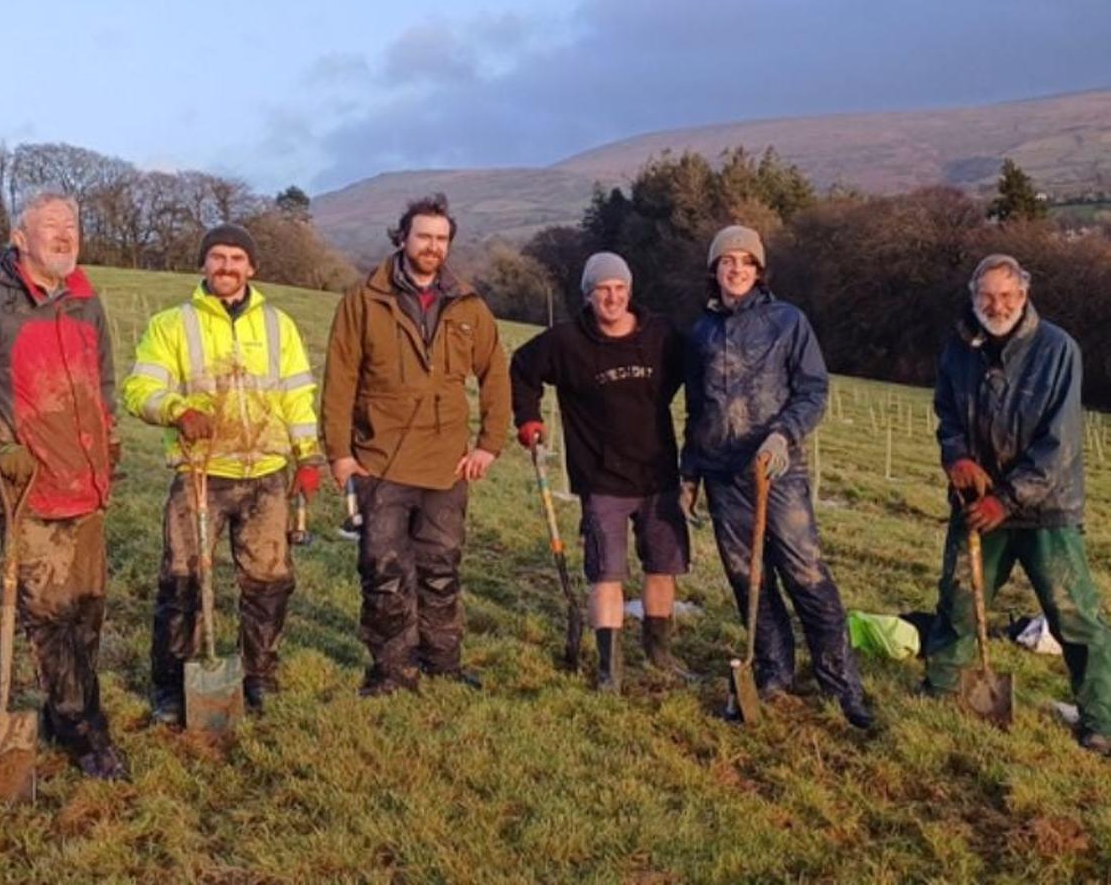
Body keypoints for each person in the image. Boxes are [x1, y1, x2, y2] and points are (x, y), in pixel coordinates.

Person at [124, 223, 323, 723]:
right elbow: (138, 389)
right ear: (204, 265)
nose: (227, 267)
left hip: (268, 475)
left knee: (269, 583)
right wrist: (175, 410)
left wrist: (308, 457)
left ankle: (258, 675)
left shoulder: (279, 326)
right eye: (217, 257)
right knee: (182, 583)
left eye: (237, 258)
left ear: (251, 267)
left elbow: (297, 397)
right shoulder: (173, 324)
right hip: (200, 473)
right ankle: (171, 686)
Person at [681, 225, 872, 728]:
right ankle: (773, 673)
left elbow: (813, 390)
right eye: (727, 261)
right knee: (750, 583)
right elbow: (697, 409)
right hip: (723, 477)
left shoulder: (788, 322)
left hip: (777, 473)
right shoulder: (701, 331)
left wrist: (782, 436)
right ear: (714, 270)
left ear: (759, 270)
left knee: (807, 576)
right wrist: (690, 473)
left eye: (746, 261)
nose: (736, 269)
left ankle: (842, 685)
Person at [321, 194, 510, 696]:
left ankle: (442, 662)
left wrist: (489, 444)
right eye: (423, 236)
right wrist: (339, 454)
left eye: (441, 238)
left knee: (441, 570)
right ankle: (391, 670)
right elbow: (338, 379)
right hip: (380, 462)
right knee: (384, 573)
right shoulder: (363, 301)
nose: (432, 246)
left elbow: (495, 373)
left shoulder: (469, 306)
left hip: (448, 466)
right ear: (402, 237)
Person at [924, 253, 1111, 753]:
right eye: (987, 295)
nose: (997, 304)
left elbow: (1059, 445)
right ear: (973, 297)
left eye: (1007, 295)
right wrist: (957, 457)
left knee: (1074, 616)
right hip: (976, 500)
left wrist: (1006, 500)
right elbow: (946, 412)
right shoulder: (959, 347)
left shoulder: (1057, 350)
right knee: (959, 599)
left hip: (1046, 508)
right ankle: (940, 689)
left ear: (1024, 296)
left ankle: (1100, 719)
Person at [0, 193, 128, 779]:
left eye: (73, 226)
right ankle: (85, 732)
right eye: (51, 227)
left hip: (85, 488)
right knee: (54, 618)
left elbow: (103, 379)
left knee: (88, 613)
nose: (65, 236)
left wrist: (108, 436)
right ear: (19, 237)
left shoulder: (86, 303)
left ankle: (67, 711)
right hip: (26, 492)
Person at [511, 252, 691, 692]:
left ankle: (659, 653)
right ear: (588, 295)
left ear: (630, 292)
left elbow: (699, 374)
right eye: (602, 290)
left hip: (658, 474)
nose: (612, 297)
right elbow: (521, 368)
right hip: (601, 478)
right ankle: (610, 671)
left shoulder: (662, 335)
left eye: (619, 289)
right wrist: (528, 418)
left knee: (661, 567)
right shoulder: (566, 342)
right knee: (606, 573)